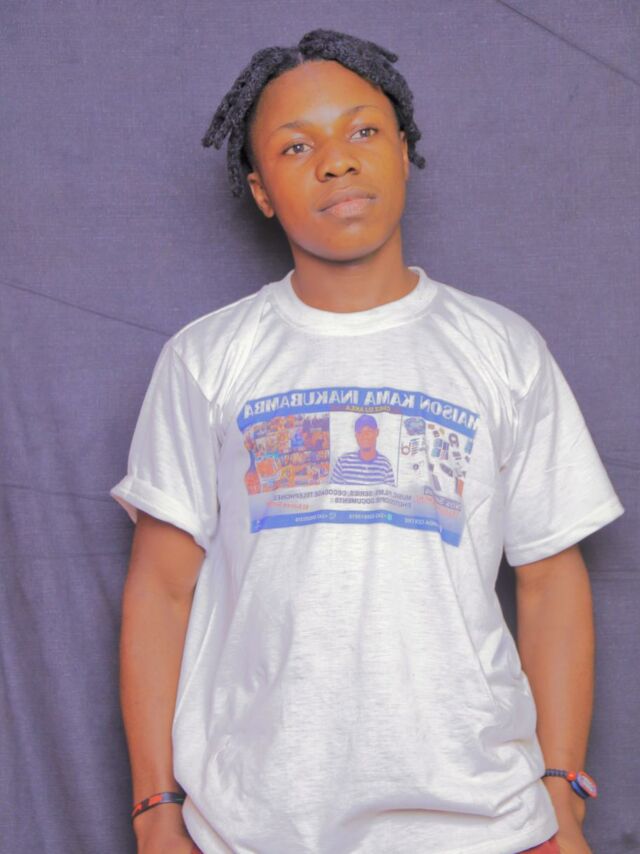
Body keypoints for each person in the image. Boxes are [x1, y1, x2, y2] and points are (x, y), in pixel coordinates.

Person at [110, 28, 625, 854]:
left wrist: (562, 788)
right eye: (296, 145)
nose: (337, 161)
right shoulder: (207, 358)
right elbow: (160, 593)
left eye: (363, 130)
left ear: (403, 151)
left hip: (484, 822)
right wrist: (154, 808)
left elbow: (550, 580)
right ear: (261, 190)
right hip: (253, 827)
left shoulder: (502, 349)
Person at [330, 414, 395, 485]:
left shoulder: (385, 465)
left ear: (377, 432)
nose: (364, 436)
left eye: (368, 432)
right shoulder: (343, 462)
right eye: (360, 432)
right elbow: (333, 490)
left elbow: (390, 491)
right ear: (356, 436)